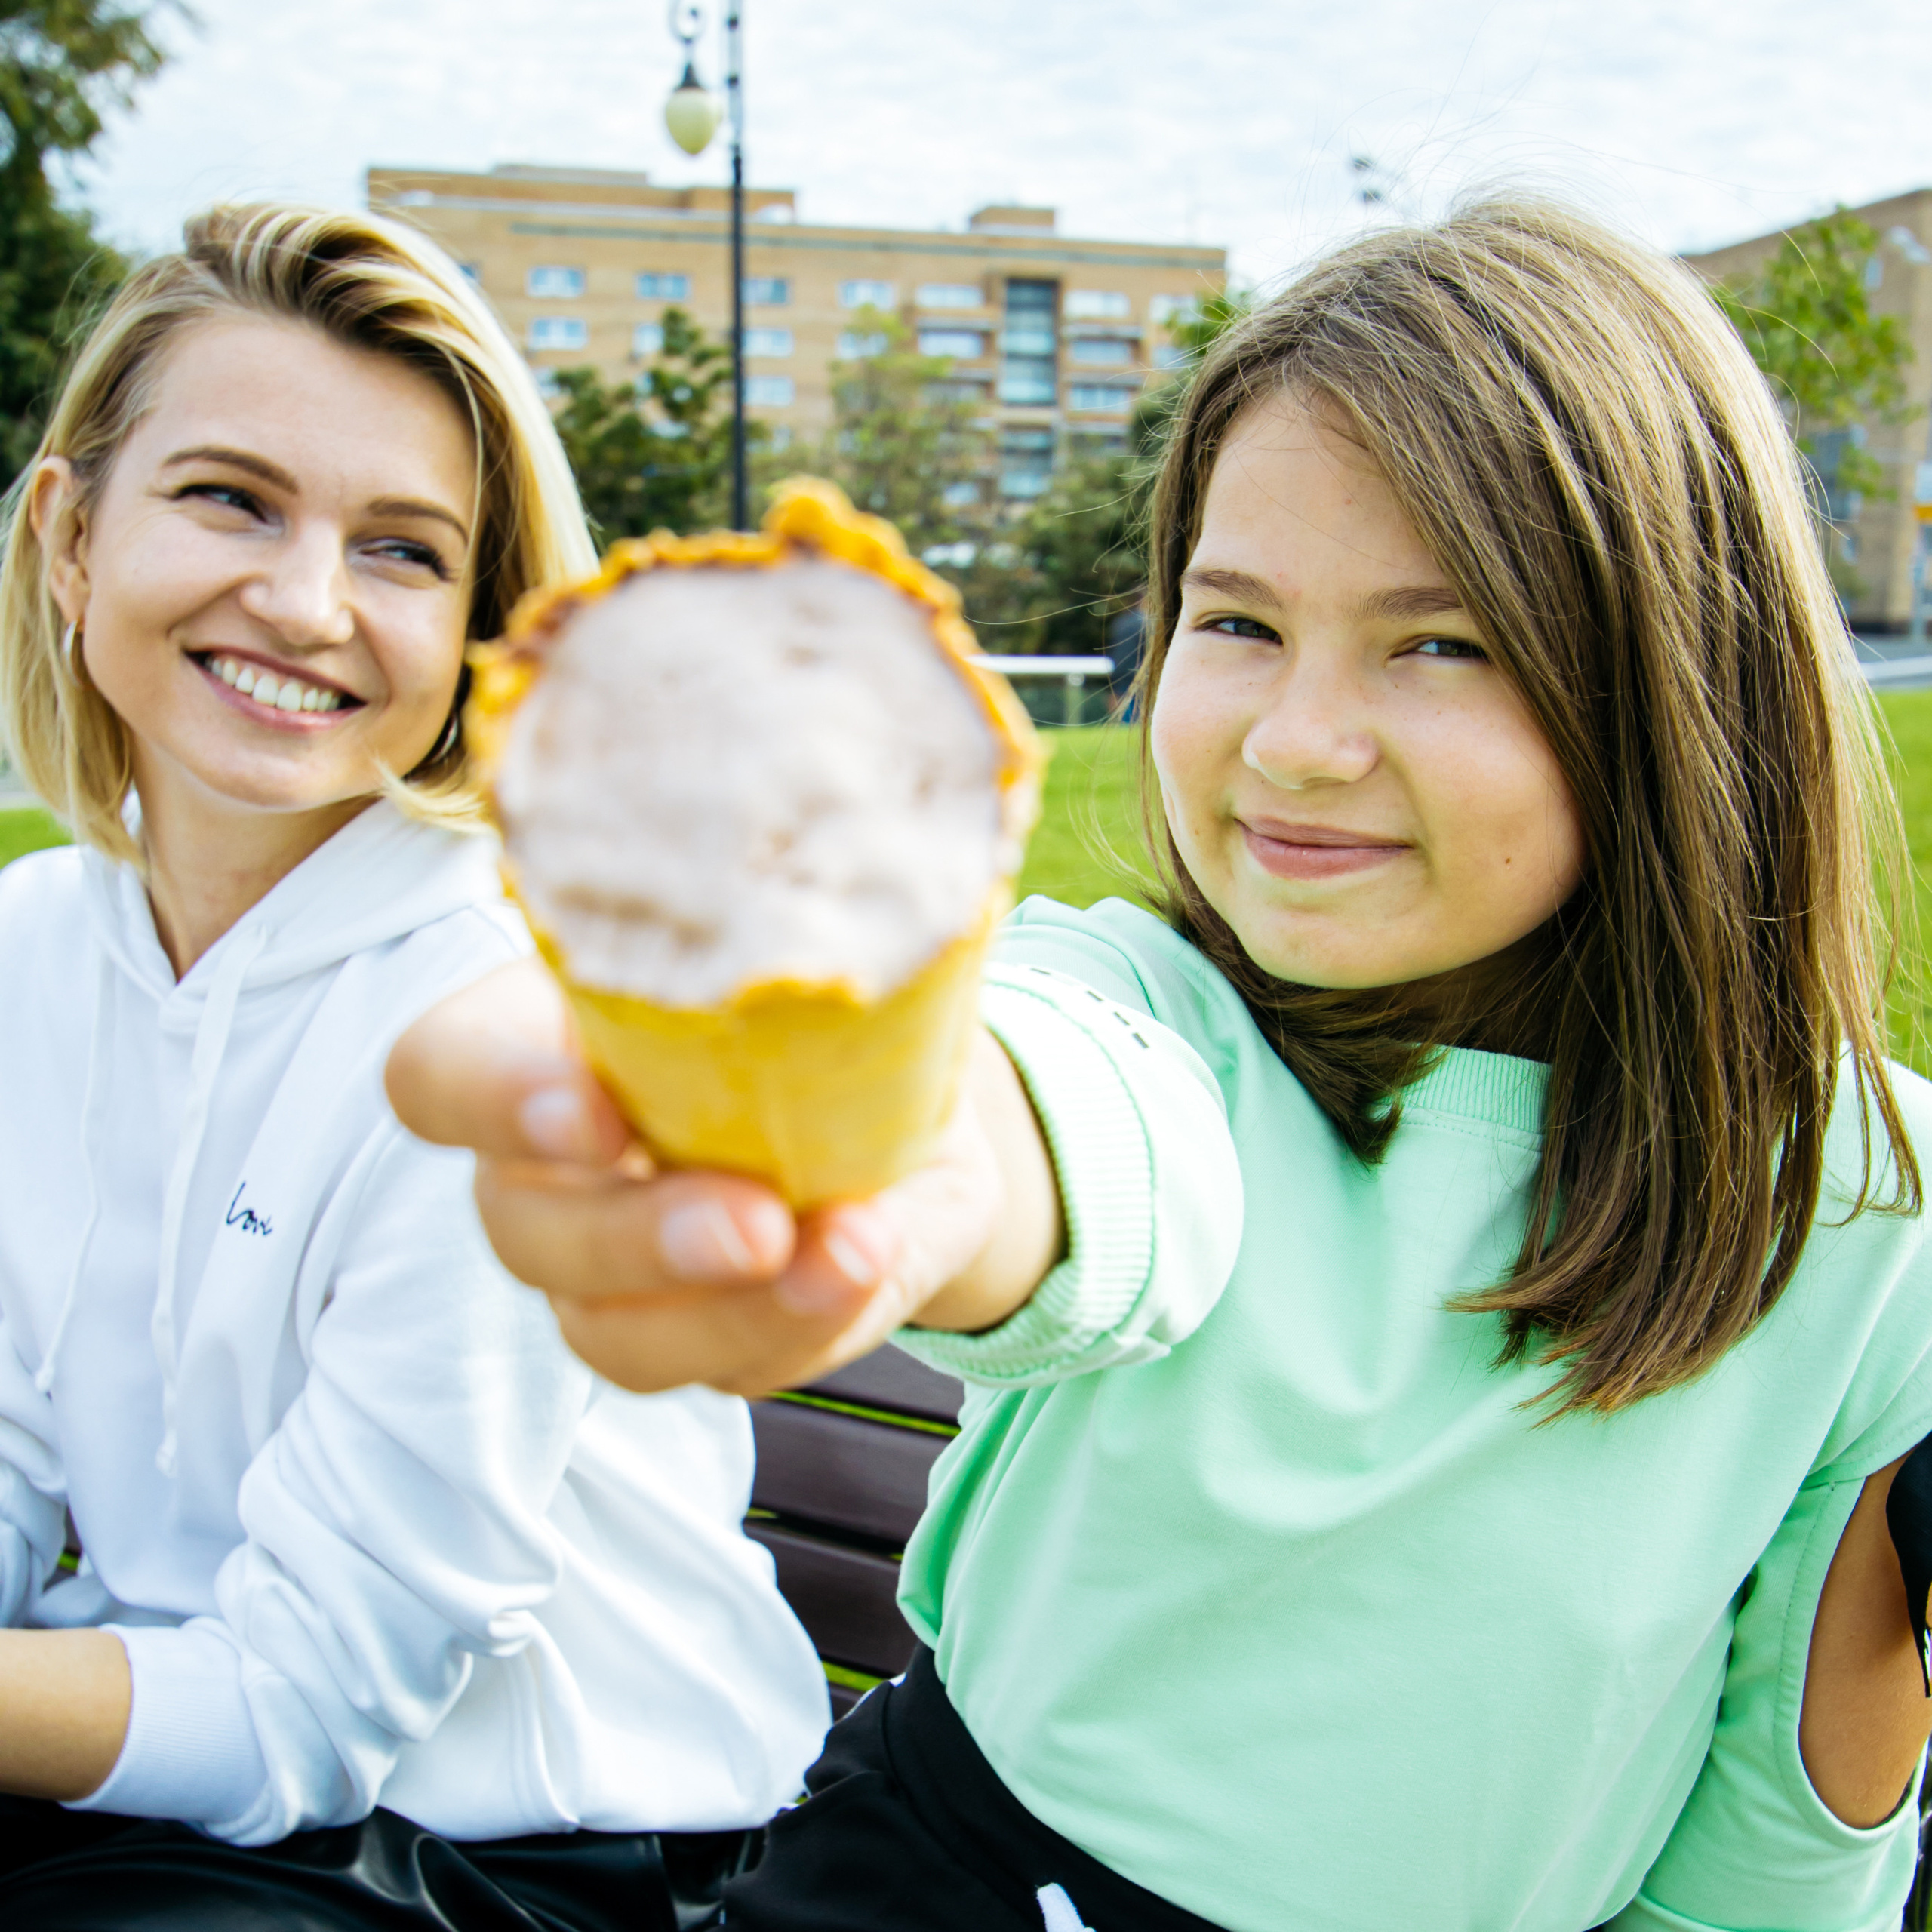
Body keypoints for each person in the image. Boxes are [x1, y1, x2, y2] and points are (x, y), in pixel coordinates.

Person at [386, 199, 1932, 1932]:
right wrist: (872, 1144)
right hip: (923, 1885)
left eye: (1440, 642)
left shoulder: (1871, 1216)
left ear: (1678, 682)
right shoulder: (1148, 1005)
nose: (1293, 742)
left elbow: (1781, 1847)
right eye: (1236, 622)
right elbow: (1053, 1138)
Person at [0, 203, 827, 1930]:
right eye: (229, 496)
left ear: (478, 631)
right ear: (73, 541)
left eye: (400, 549)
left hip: (536, 1862)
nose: (303, 603)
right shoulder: (28, 950)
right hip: (192, 1801)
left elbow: (311, 1704)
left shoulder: (506, 1027)